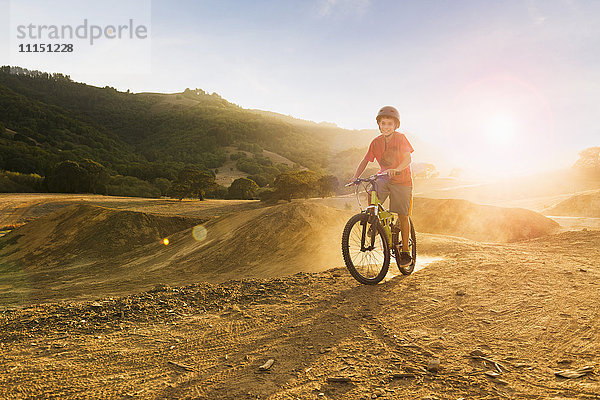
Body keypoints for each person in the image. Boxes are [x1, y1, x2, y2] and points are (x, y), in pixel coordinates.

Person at [348, 105, 414, 265]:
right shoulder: (375, 142)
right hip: (384, 178)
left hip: (402, 181)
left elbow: (407, 159)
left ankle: (405, 251)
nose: (386, 127)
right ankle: (374, 222)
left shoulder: (401, 138)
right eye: (383, 123)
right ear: (379, 125)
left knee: (403, 216)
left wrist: (396, 169)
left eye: (389, 124)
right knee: (371, 192)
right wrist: (355, 177)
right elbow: (365, 160)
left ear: (395, 125)